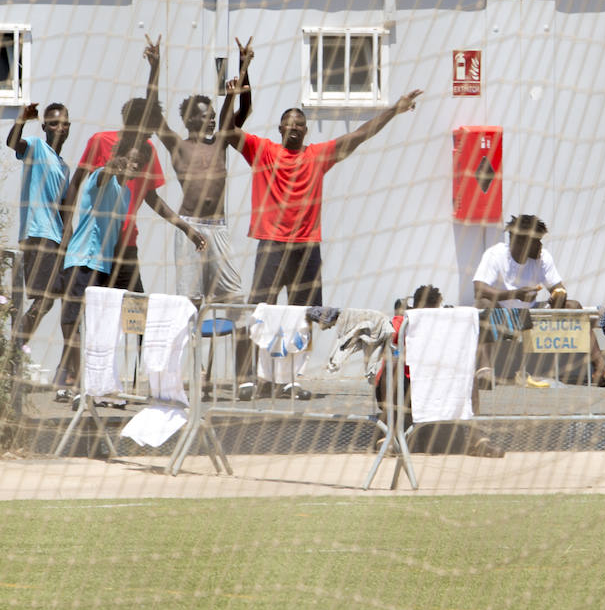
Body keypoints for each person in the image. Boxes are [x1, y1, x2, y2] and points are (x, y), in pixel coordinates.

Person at [229, 89, 423, 398]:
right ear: (280, 129)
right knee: (261, 311)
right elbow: (228, 130)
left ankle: (291, 380)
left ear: (306, 130)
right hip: (272, 245)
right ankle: (250, 379)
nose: (293, 128)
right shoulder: (262, 150)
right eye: (288, 124)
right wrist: (243, 77)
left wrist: (394, 110)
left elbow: (360, 135)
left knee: (303, 315)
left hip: (306, 248)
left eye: (299, 125)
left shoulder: (317, 155)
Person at [61, 59, 208, 298]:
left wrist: (185, 228)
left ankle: (142, 337)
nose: (151, 132)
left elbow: (152, 198)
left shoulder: (148, 150)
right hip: (97, 245)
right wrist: (67, 228)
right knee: (96, 308)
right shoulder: (101, 141)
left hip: (126, 244)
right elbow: (77, 182)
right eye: (147, 126)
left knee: (137, 311)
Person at [142, 34, 252, 307]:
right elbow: (153, 113)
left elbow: (245, 106)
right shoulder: (178, 146)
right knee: (190, 302)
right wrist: (155, 69)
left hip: (219, 227)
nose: (213, 118)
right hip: (190, 225)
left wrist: (244, 66)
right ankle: (190, 347)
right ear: (190, 119)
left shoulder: (220, 143)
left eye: (214, 114)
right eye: (206, 115)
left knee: (234, 298)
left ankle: (227, 348)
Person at [472, 214, 605, 389]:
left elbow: (558, 288)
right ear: (523, 242)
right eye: (537, 241)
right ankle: (485, 370)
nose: (541, 246)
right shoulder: (496, 254)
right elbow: (479, 289)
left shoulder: (543, 257)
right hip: (503, 315)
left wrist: (559, 297)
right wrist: (515, 295)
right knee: (482, 304)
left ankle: (601, 370)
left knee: (573, 306)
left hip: (532, 315)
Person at [54, 147, 145, 394]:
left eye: (139, 163)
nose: (135, 166)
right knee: (70, 321)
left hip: (103, 268)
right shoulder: (100, 179)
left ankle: (96, 383)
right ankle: (76, 380)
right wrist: (115, 164)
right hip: (81, 261)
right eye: (131, 161)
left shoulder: (126, 193)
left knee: (98, 329)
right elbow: (106, 173)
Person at [375, 284, 504, 458]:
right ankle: (388, 435)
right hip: (411, 383)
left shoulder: (447, 321)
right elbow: (389, 341)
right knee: (391, 364)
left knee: (467, 374)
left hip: (437, 382)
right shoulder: (404, 321)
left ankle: (477, 439)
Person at [5, 101, 72, 358]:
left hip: (55, 239)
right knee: (44, 299)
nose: (59, 127)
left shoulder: (64, 167)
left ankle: (16, 351)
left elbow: (66, 211)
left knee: (50, 300)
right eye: (54, 123)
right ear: (44, 127)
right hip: (37, 234)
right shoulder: (36, 147)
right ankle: (13, 352)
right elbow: (13, 143)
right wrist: (21, 119)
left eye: (64, 123)